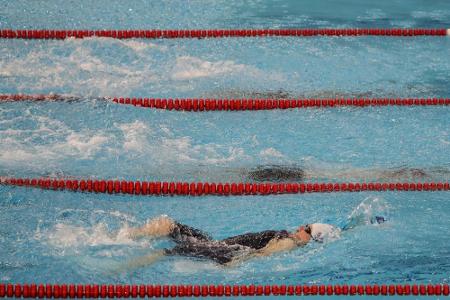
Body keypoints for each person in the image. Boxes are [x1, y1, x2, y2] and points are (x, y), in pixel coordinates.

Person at [123, 215, 369, 268]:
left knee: (171, 244)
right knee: (171, 233)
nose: (300, 226)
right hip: (221, 246)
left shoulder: (289, 242)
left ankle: (126, 262)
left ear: (309, 236)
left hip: (225, 250)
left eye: (306, 227)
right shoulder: (290, 239)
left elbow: (263, 254)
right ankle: (127, 244)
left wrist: (234, 263)